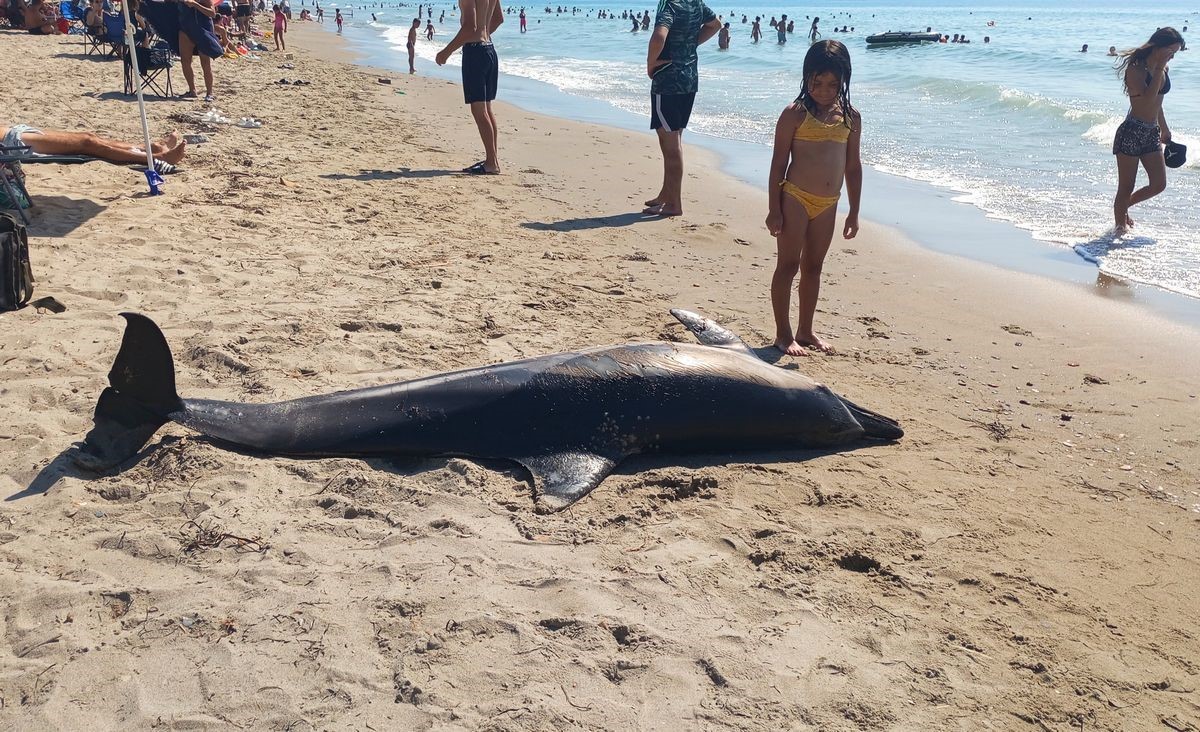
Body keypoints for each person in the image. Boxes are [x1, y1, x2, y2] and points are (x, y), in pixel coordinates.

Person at [766, 40, 861, 355]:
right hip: (794, 197)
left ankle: (806, 330)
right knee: (788, 265)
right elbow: (779, 163)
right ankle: (784, 333)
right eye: (817, 83)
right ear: (806, 78)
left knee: (814, 267)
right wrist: (774, 209)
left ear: (844, 82)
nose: (824, 90)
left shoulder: (850, 117)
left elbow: (852, 166)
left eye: (833, 84)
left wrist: (854, 211)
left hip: (829, 204)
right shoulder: (794, 114)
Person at [643, 0, 721, 217]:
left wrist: (651, 63)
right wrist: (689, 44)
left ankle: (674, 204)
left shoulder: (669, 5)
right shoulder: (695, 3)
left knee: (671, 144)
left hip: (668, 81)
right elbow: (715, 25)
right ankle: (666, 194)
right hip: (689, 79)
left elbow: (659, 35)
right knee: (672, 138)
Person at [1112, 27, 1185, 234]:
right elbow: (1147, 100)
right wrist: (1160, 66)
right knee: (1125, 187)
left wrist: (1164, 128)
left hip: (1151, 133)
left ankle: (1124, 208)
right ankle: (1118, 232)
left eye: (1175, 53)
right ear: (1157, 46)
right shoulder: (1135, 70)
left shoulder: (1163, 69)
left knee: (1158, 184)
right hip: (1131, 133)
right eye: (1170, 51)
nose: (1171, 56)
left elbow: (1158, 103)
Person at [435, 0, 504, 174]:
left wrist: (447, 51)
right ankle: (492, 159)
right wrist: (484, 33)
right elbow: (498, 19)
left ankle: (491, 163)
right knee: (487, 109)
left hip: (476, 53)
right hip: (489, 50)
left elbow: (470, 27)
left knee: (479, 111)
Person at [2, 125, 188, 166]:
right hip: (13, 144)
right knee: (87, 143)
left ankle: (151, 147)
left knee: (88, 136)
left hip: (15, 132)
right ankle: (159, 158)